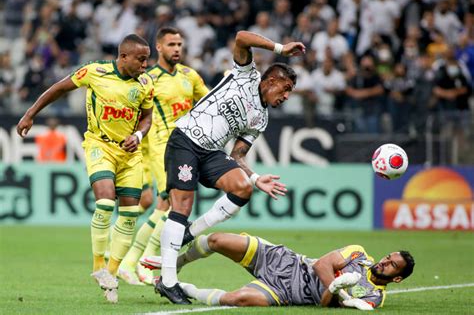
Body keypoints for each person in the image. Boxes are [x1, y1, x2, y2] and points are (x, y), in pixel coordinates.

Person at [156, 30, 306, 304]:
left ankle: (191, 232)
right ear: (271, 80)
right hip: (187, 139)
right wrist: (281, 48)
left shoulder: (261, 119)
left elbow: (238, 155)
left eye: (290, 93)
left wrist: (256, 178)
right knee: (182, 205)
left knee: (243, 188)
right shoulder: (246, 75)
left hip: (211, 152)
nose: (286, 97)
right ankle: (168, 281)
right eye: (285, 89)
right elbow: (240, 37)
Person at [16, 34, 155, 303]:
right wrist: (30, 113)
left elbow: (147, 116)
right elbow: (59, 88)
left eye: (147, 59)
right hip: (99, 145)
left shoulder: (146, 83)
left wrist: (138, 136)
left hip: (130, 154)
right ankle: (97, 267)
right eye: (141, 59)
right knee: (104, 202)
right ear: (123, 57)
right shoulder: (95, 71)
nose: (145, 65)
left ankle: (111, 275)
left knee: (128, 214)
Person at [118, 27, 209, 285]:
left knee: (164, 205)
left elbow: (209, 101)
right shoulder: (149, 78)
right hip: (160, 147)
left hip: (186, 147)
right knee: (168, 203)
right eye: (171, 44)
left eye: (180, 44)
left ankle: (131, 262)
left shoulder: (190, 76)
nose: (177, 49)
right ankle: (141, 260)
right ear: (159, 47)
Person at [141, 232, 415, 309]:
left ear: (397, 278)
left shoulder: (375, 298)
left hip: (287, 292)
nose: (384, 261)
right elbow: (321, 264)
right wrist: (339, 285)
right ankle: (172, 265)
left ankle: (176, 287)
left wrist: (335, 290)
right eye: (387, 256)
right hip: (285, 262)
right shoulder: (359, 254)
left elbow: (323, 303)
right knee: (217, 241)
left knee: (237, 299)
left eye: (391, 264)